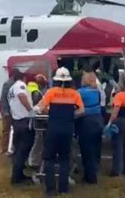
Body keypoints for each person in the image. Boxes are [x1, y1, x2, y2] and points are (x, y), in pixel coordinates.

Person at [37, 67, 84, 196]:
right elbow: (81, 111)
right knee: (64, 158)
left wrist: (51, 113)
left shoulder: (51, 92)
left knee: (49, 158)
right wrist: (70, 115)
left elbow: (41, 108)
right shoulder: (75, 93)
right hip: (68, 128)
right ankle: (63, 188)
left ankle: (51, 189)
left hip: (53, 127)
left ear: (56, 80)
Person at [8, 70, 35, 185]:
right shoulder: (20, 85)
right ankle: (17, 178)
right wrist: (30, 110)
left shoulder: (11, 88)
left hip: (16, 121)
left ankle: (18, 174)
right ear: (23, 78)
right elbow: (22, 96)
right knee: (23, 150)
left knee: (19, 149)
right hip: (24, 121)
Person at [76, 73, 103, 184]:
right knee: (96, 147)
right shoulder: (96, 91)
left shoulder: (80, 92)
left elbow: (77, 106)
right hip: (98, 120)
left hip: (87, 122)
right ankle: (95, 169)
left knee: (87, 150)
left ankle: (90, 178)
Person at [107, 76, 125, 177]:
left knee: (117, 146)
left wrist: (109, 123)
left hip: (120, 121)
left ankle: (116, 170)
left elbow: (115, 112)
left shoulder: (119, 96)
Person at [27, 74, 48, 168]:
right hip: (35, 119)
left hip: (26, 118)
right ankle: (33, 161)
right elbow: (38, 107)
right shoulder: (36, 92)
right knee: (37, 140)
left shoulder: (28, 87)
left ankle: (31, 159)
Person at [0, 70, 17, 155]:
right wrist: (6, 111)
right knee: (6, 130)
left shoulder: (12, 84)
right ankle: (5, 148)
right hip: (7, 111)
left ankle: (8, 147)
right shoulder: (8, 84)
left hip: (11, 111)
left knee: (9, 130)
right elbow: (4, 98)